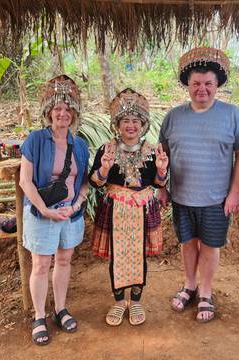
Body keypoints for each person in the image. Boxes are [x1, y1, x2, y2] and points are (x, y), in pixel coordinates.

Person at [158, 47, 239, 322]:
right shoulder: (173, 117)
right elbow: (161, 157)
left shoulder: (232, 115)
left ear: (217, 84)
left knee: (210, 246)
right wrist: (162, 187)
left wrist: (235, 192)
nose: (202, 89)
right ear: (187, 84)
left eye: (208, 83)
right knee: (188, 243)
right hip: (182, 197)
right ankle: (189, 284)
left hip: (216, 198)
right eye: (196, 83)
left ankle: (206, 291)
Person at [19, 75, 89, 345]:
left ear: (74, 113)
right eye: (58, 108)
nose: (63, 113)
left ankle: (60, 309)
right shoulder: (36, 140)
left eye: (68, 109)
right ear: (49, 111)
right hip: (41, 214)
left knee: (64, 260)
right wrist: (45, 210)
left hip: (70, 214)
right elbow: (25, 181)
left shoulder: (80, 145)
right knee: (40, 264)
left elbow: (83, 181)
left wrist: (76, 205)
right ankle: (39, 316)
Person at [89, 88, 168, 326]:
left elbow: (157, 183)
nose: (131, 125)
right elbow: (95, 182)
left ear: (143, 124)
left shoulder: (153, 151)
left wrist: (162, 170)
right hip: (115, 210)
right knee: (117, 256)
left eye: (135, 121)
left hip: (142, 209)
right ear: (117, 123)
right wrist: (104, 168)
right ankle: (117, 301)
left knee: (139, 255)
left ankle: (135, 301)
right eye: (125, 120)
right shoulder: (107, 149)